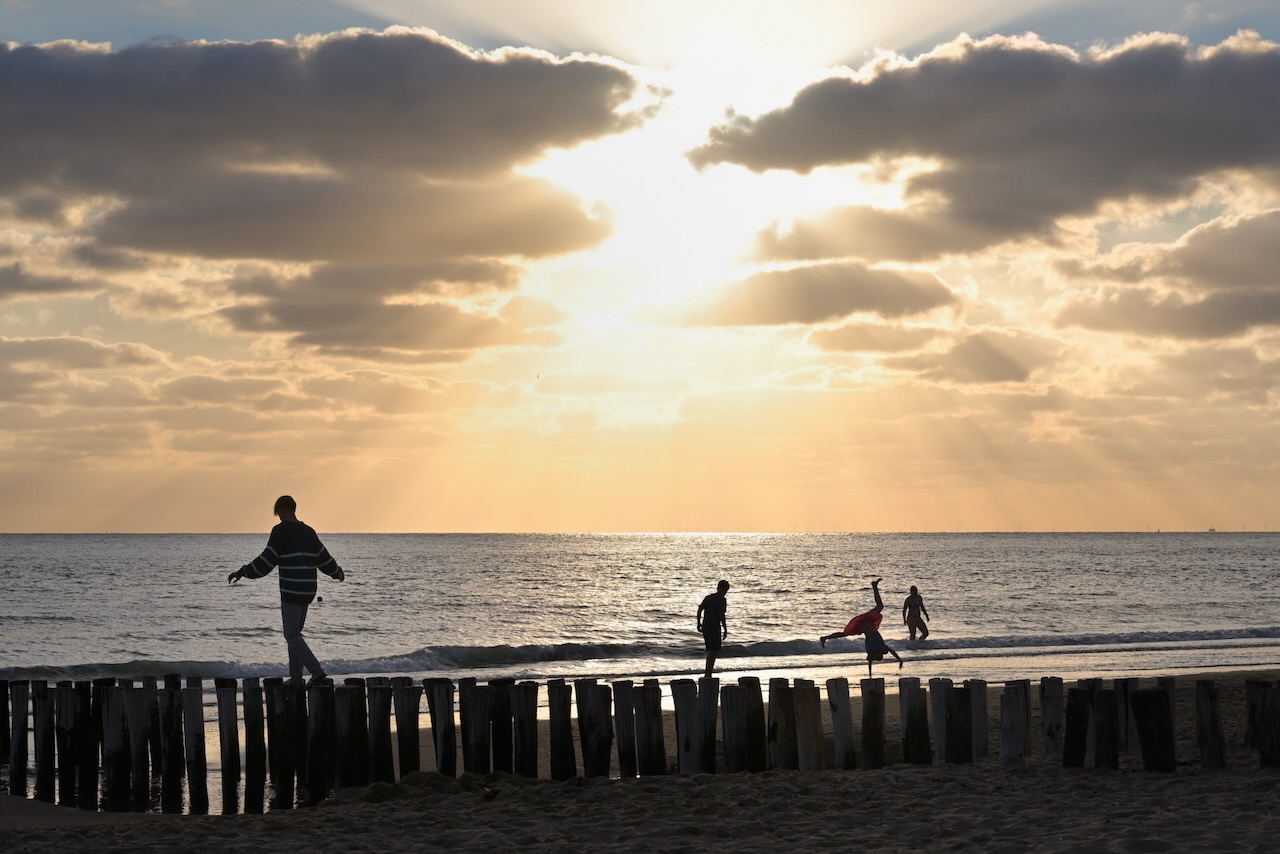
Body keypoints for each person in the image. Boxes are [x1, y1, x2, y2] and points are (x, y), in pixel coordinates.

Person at [228, 495, 344, 687]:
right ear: (294, 508)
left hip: (291, 589)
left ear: (280, 510)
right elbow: (323, 558)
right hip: (308, 590)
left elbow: (266, 560)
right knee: (295, 634)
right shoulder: (309, 531)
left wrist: (243, 572)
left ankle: (316, 671)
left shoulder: (280, 531)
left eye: (277, 513)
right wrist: (337, 572)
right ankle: (296, 679)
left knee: (291, 635)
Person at [819, 577, 903, 677]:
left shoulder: (871, 651)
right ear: (879, 654)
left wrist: (870, 675)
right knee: (879, 607)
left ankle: (825, 638)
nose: (874, 657)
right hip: (868, 622)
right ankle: (874, 586)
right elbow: (892, 651)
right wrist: (900, 660)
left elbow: (870, 663)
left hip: (865, 626)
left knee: (845, 633)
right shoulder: (881, 648)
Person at [696, 579, 730, 679]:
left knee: (711, 651)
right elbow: (721, 615)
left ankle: (708, 673)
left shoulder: (708, 598)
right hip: (714, 627)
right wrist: (725, 629)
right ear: (722, 589)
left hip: (706, 626)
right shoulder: (722, 600)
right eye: (725, 590)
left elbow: (700, 609)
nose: (725, 593)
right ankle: (708, 674)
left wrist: (699, 623)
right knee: (713, 651)